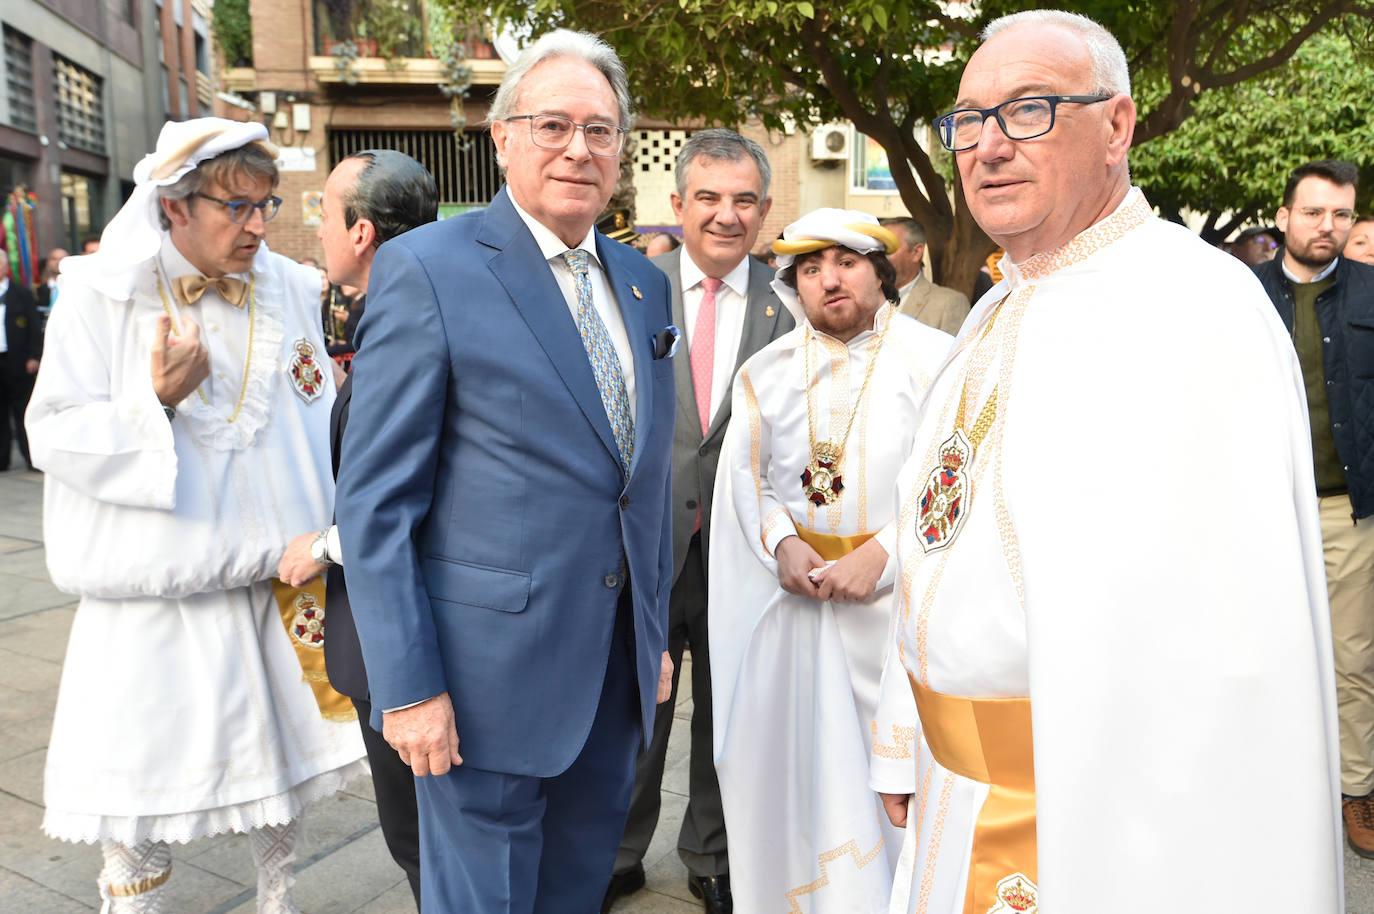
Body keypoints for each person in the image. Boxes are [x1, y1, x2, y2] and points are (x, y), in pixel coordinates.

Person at [871, 11, 1341, 913]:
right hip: (957, 801)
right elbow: (938, 536)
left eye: (1030, 110)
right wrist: (909, 731)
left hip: (1096, 830)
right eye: (968, 120)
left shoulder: (1195, 311)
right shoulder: (998, 308)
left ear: (1118, 125)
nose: (988, 146)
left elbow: (1227, 662)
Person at [335, 29, 678, 913]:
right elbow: (375, 506)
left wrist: (651, 639)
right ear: (503, 137)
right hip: (477, 691)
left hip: (609, 683)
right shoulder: (428, 270)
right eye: (554, 124)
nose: (578, 148)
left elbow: (639, 481)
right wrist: (409, 689)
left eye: (600, 130)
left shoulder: (644, 283)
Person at [25, 117, 367, 913]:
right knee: (138, 801)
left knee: (281, 792)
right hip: (153, 598)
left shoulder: (288, 284)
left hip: (274, 585)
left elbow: (315, 409)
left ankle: (275, 905)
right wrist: (155, 403)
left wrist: (331, 531)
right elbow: (53, 431)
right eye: (236, 207)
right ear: (174, 206)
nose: (257, 225)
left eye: (267, 204)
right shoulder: (97, 292)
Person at [709, 208, 951, 913]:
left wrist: (883, 552)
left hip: (900, 620)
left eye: (843, 261)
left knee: (897, 787)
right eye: (808, 270)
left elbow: (951, 477)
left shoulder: (938, 359)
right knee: (801, 780)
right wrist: (781, 541)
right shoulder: (766, 372)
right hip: (799, 618)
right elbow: (746, 480)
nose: (827, 280)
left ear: (880, 270)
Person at [606, 128, 791, 914]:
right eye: (708, 198)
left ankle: (711, 855)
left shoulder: (791, 309)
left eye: (743, 200)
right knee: (636, 711)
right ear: (677, 205)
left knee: (730, 711)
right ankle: (615, 853)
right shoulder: (628, 291)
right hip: (645, 549)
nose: (726, 215)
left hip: (743, 554)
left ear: (765, 212)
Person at [276, 149, 438, 906]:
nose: (316, 227)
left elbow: (418, 487)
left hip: (401, 633)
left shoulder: (403, 322)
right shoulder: (408, 308)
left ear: (363, 232)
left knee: (421, 839)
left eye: (323, 212)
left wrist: (323, 546)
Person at [1251, 159, 1374, 859]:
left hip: (1346, 512)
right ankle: (1273, 790)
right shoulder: (1244, 295)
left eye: (1343, 215)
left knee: (1353, 659)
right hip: (1261, 513)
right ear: (1283, 217)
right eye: (1315, 213)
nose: (1329, 226)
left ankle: (1355, 791)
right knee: (1266, 654)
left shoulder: (1370, 291)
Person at [886, 217, 970, 333]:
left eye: (888, 249)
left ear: (916, 252)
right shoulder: (862, 299)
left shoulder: (948, 303)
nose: (879, 257)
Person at [1, 255, 41, 470]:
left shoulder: (21, 294)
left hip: (18, 360)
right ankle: (2, 459)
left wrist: (34, 355)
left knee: (23, 411)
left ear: (6, 266)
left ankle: (31, 457)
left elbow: (35, 328)